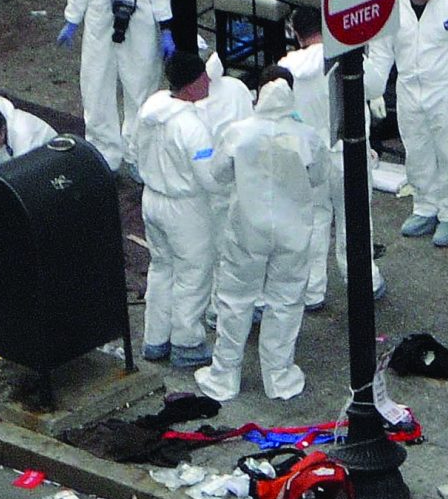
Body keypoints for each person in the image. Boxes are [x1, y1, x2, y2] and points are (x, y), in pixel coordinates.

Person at [195, 66, 328, 401]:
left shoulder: (238, 133)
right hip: (293, 230)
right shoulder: (307, 136)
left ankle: (224, 375)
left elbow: (219, 173)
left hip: (247, 229)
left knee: (235, 300)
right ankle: (279, 376)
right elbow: (316, 177)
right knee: (285, 302)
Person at [57, 0, 175, 181]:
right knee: (95, 85)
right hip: (100, 19)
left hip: (141, 21)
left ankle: (136, 154)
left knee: (140, 88)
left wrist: (166, 27)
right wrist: (72, 20)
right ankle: (103, 154)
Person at [364, 0, 448, 247]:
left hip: (446, 90)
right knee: (418, 153)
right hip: (409, 91)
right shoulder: (391, 6)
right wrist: (373, 89)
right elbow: (381, 51)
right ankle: (425, 206)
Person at [280, 7, 384, 310]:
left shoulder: (286, 67)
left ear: (297, 34)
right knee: (355, 220)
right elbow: (375, 85)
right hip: (347, 154)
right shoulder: (344, 57)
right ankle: (364, 280)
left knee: (315, 220)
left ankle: (312, 290)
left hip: (311, 158)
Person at [133, 51, 220, 368]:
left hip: (152, 199)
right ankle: (187, 343)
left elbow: (133, 150)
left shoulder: (150, 109)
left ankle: (155, 339)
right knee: (193, 274)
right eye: (204, 77)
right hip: (185, 207)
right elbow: (209, 177)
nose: (209, 81)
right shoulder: (191, 127)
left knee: (162, 269)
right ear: (192, 85)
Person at [195, 51, 253, 328]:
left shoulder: (199, 103)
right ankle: (247, 302)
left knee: (218, 250)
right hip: (242, 178)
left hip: (215, 181)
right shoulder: (238, 89)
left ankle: (218, 308)